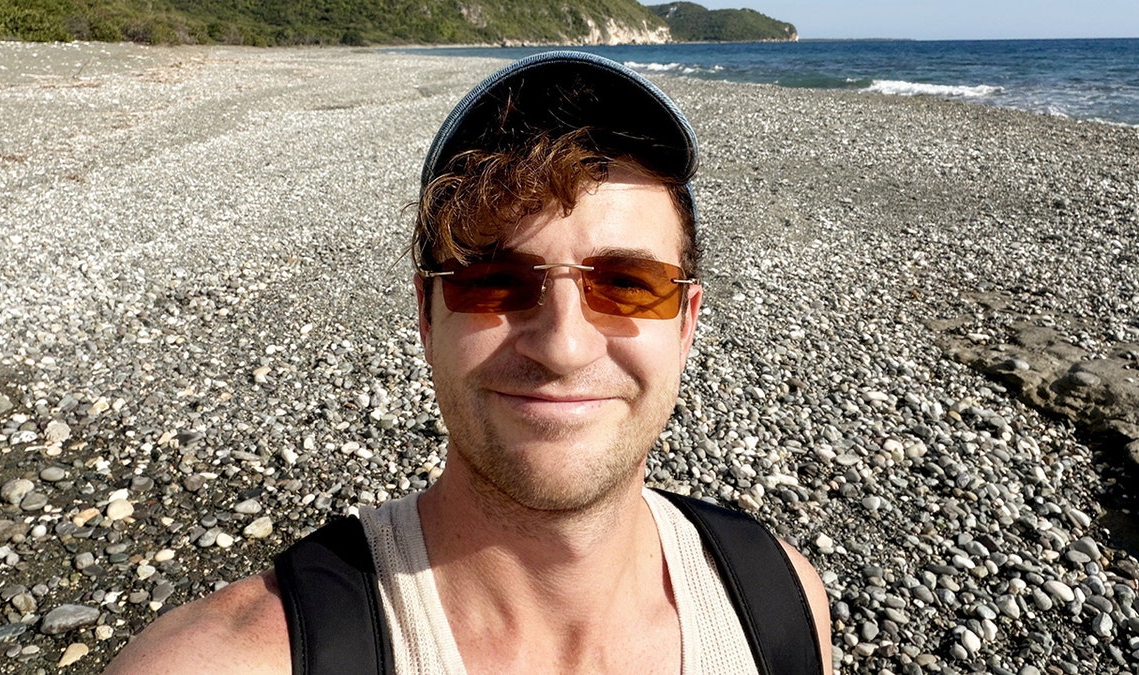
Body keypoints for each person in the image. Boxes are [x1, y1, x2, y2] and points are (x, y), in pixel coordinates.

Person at [106, 51, 832, 675]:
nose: (563, 345)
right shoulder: (240, 656)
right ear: (427, 314)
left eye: (627, 285)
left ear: (686, 323)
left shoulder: (779, 607)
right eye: (497, 282)